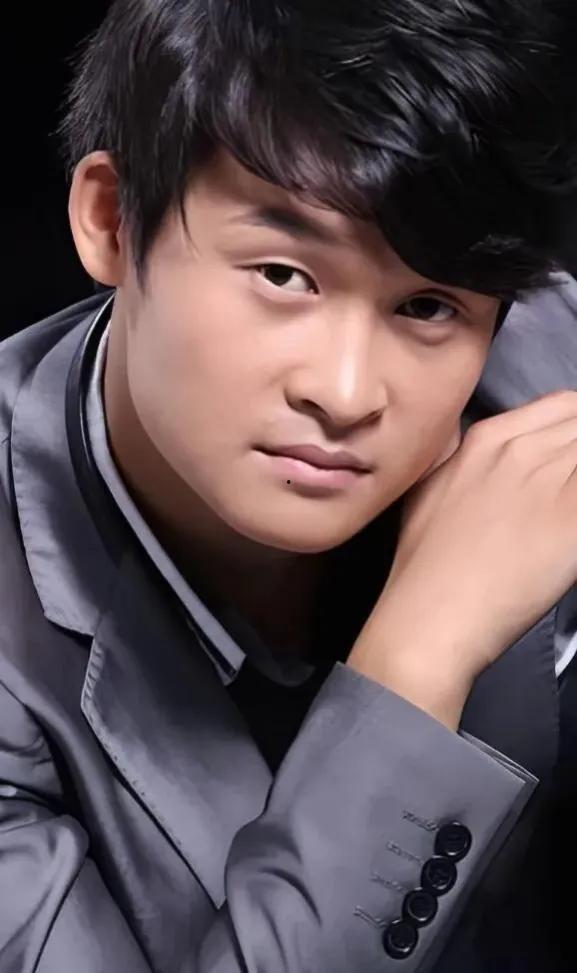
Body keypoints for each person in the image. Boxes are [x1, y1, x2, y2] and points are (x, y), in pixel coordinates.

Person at [2, 0, 577, 970]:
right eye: (282, 275)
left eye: (426, 305)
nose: (345, 393)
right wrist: (418, 654)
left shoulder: (549, 365)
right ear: (110, 219)